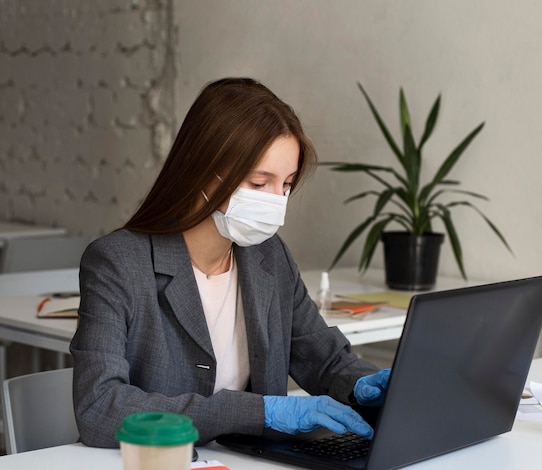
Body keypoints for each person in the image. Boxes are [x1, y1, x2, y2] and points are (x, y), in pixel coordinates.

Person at [70, 77, 390, 449]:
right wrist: (258, 413)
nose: (276, 201)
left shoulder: (269, 256)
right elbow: (99, 407)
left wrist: (366, 384)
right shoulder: (118, 262)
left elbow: (324, 359)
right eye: (259, 183)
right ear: (202, 171)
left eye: (285, 185)